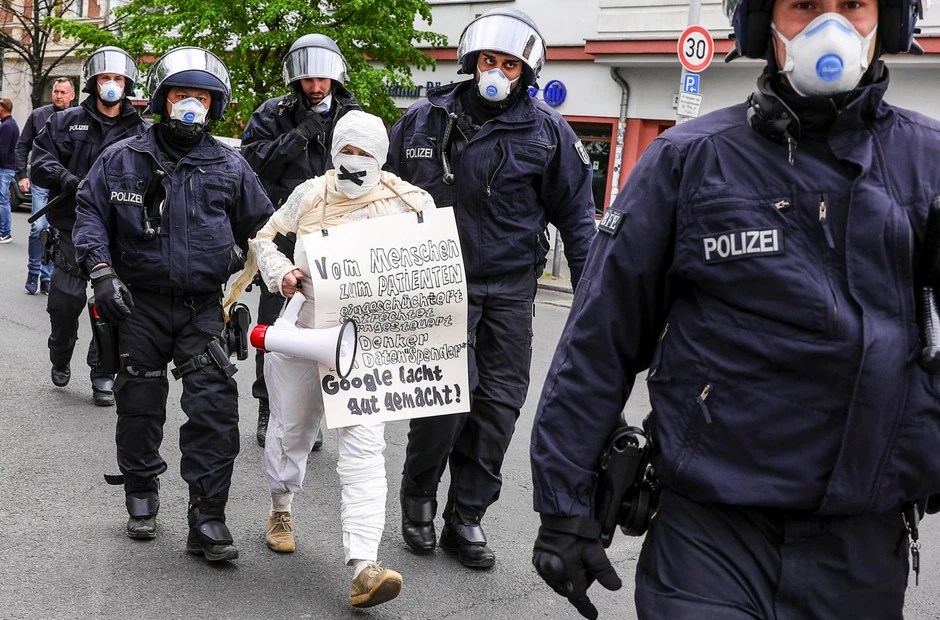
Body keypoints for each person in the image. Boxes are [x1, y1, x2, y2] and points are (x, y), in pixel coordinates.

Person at [530, 1, 940, 619]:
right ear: (761, 24)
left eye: (853, 4)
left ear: (890, 21)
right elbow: (598, 339)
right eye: (803, 5)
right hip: (710, 538)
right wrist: (564, 503)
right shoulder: (687, 159)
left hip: (863, 544)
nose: (830, 27)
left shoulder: (930, 167)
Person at [386, 7, 597, 569]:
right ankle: (419, 500)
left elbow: (577, 219)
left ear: (525, 72)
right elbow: (382, 198)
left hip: (508, 289)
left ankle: (467, 517)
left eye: (508, 63)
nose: (495, 72)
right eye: (488, 60)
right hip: (437, 284)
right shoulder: (423, 121)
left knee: (497, 405)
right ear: (471, 62)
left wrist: (595, 296)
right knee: (443, 403)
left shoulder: (548, 132)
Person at [72, 46, 274, 562]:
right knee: (139, 403)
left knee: (214, 409)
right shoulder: (123, 158)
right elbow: (90, 213)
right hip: (136, 304)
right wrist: (100, 272)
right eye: (182, 95)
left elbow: (267, 230)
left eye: (201, 97)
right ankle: (141, 487)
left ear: (215, 105)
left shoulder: (230, 166)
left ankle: (207, 517)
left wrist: (289, 266)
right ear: (164, 99)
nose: (191, 105)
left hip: (203, 308)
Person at [237, 109, 432, 607]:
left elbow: (436, 265)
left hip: (368, 343)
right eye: (347, 150)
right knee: (293, 430)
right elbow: (263, 238)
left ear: (383, 156)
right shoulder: (310, 193)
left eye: (366, 153)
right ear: (334, 149)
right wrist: (281, 273)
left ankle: (364, 564)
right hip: (306, 331)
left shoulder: (409, 202)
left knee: (365, 448)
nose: (355, 160)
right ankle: (281, 506)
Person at [241, 34, 360, 448]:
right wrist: (300, 134)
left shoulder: (353, 113)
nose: (316, 87)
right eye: (309, 79)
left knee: (328, 327)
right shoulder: (272, 114)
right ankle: (267, 408)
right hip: (289, 235)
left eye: (323, 79)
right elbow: (254, 165)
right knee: (278, 326)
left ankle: (314, 412)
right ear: (297, 78)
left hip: (338, 239)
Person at [31, 47, 146, 406]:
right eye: (105, 78)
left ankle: (102, 374)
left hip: (119, 231)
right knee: (64, 304)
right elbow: (40, 160)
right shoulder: (64, 121)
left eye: (118, 78)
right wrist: (65, 179)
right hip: (71, 227)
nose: (111, 84)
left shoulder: (141, 130)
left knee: (110, 304)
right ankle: (60, 351)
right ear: (94, 82)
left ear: (127, 83)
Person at [17, 77, 76, 294]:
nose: (59, 96)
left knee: (57, 231)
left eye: (63, 92)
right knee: (39, 228)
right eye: (56, 91)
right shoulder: (38, 116)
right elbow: (22, 147)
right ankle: (34, 271)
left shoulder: (79, 118)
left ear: (72, 96)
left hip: (67, 186)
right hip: (43, 182)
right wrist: (23, 174)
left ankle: (48, 277)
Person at [0, 98, 19, 244]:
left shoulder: (6, 126)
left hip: (4, 168)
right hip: (7, 167)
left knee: (2, 201)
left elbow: (3, 151)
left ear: (2, 108)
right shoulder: (10, 124)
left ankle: (5, 232)